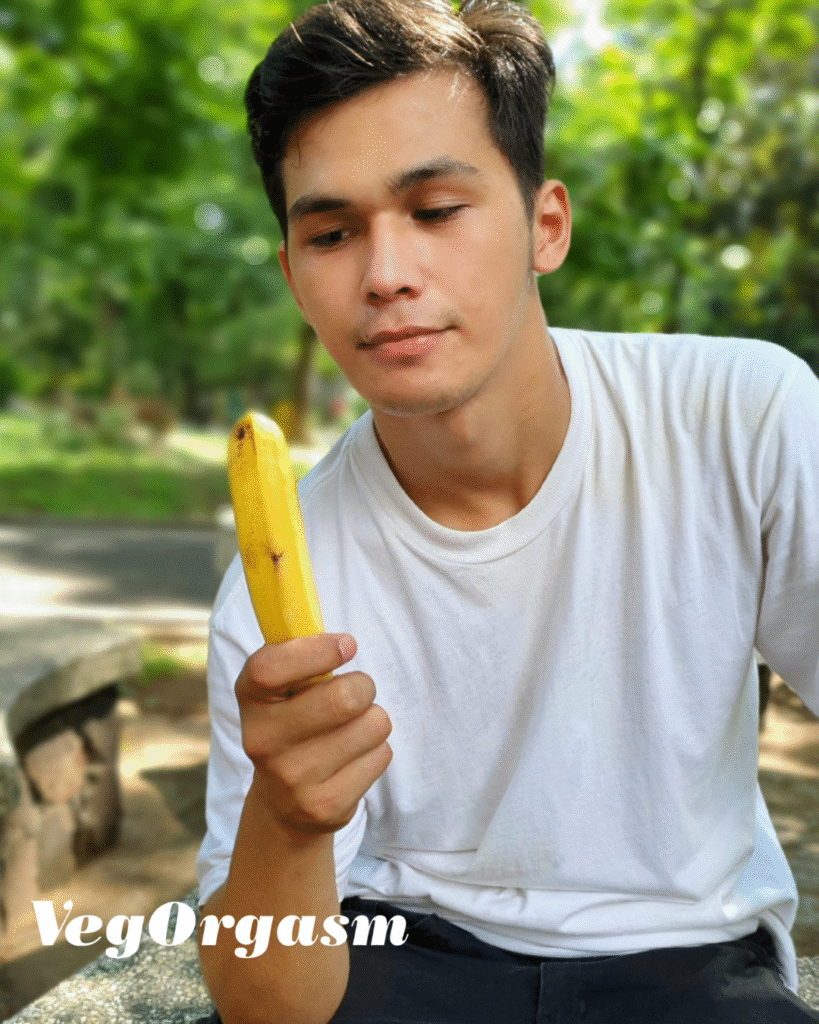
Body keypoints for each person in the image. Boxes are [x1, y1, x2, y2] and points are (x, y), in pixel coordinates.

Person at [195, 1, 819, 1021]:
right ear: (295, 280)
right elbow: (268, 1005)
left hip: (690, 962)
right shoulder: (279, 583)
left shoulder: (741, 417)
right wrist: (293, 818)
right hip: (399, 953)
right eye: (332, 231)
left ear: (546, 226)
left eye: (436, 210)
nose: (387, 274)